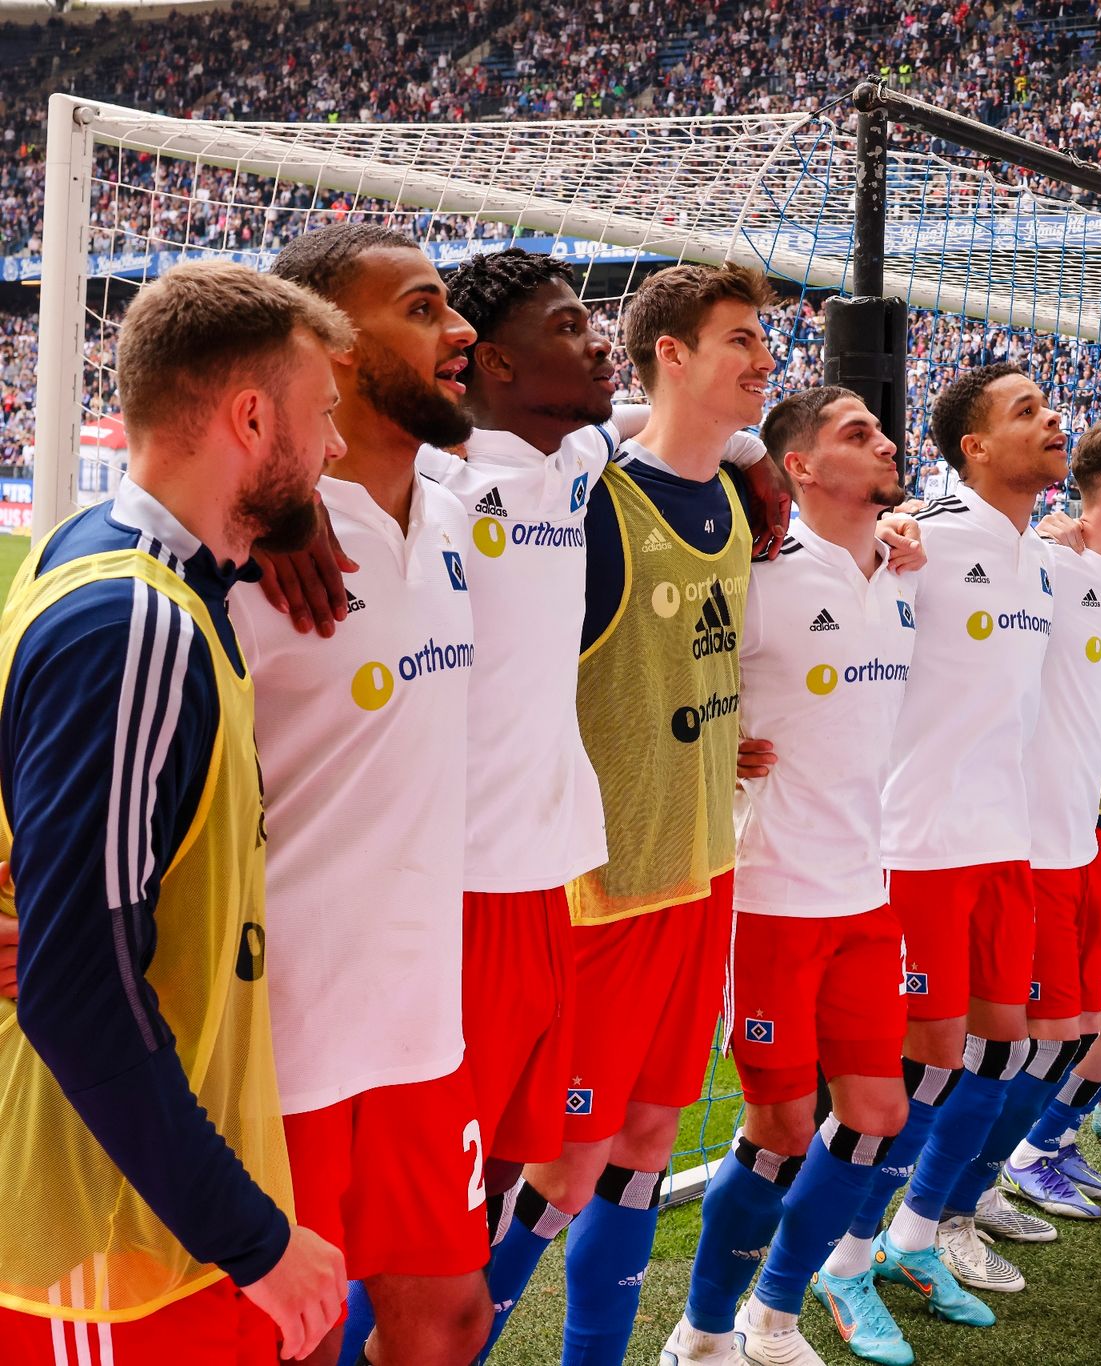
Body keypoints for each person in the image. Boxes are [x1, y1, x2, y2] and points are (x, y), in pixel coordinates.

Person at [0, 261, 351, 1362]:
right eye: (323, 414)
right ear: (252, 417)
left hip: (146, 1215)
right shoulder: (137, 621)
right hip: (103, 1241)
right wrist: (253, 1238)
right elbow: (81, 992)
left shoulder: (122, 565)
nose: (335, 446)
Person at [486, 261, 780, 1366]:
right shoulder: (591, 494)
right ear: (670, 352)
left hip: (703, 870)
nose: (762, 360)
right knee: (558, 1167)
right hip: (598, 893)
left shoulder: (741, 503)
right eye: (739, 340)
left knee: (648, 1141)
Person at [258, 223, 490, 1366]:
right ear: (332, 349)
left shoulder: (450, 513)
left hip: (420, 1022)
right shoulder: (239, 541)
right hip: (278, 1036)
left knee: (449, 1317)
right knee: (293, 1335)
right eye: (423, 306)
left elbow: (620, 437)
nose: (461, 332)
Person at [663, 387, 918, 1366]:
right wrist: (711, 734)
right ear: (797, 467)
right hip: (768, 897)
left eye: (880, 429)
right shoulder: (756, 577)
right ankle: (704, 1332)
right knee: (775, 1127)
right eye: (856, 433)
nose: (884, 441)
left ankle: (775, 1315)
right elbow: (659, 684)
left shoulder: (902, 572)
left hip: (866, 891)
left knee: (877, 1112)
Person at [813, 362, 1062, 1353]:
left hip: (1006, 842)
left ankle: (914, 1236)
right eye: (1024, 412)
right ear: (972, 447)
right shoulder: (922, 540)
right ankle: (834, 1266)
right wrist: (886, 532)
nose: (1050, 422)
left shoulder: (1035, 555)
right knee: (913, 1072)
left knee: (999, 1051)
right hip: (918, 847)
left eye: (1046, 406)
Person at [969, 420, 1101, 1228]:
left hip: (1079, 840)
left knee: (1059, 1035)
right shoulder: (1052, 563)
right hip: (1018, 847)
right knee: (999, 1047)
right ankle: (934, 1213)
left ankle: (987, 1181)